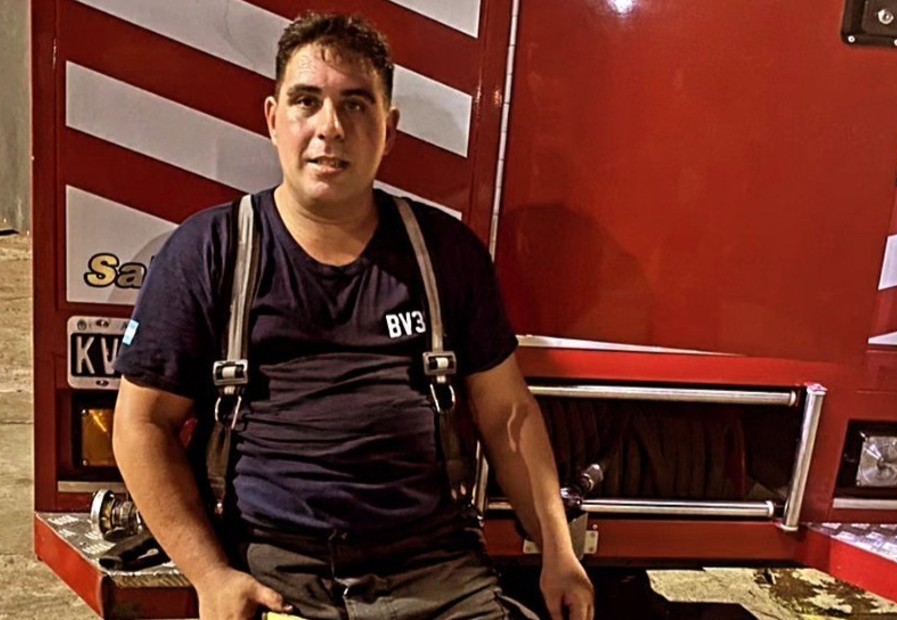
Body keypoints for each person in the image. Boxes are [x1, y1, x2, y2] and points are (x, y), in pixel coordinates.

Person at [112, 12, 594, 620]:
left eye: (356, 105)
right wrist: (212, 577)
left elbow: (508, 413)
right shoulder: (209, 252)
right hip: (278, 579)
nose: (330, 128)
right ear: (273, 120)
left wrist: (558, 552)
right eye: (306, 102)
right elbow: (141, 425)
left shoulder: (446, 254)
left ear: (388, 131)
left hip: (439, 575)